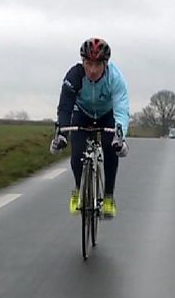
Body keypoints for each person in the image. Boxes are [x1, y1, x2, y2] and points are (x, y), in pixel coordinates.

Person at [50, 37, 130, 218]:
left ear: (106, 64)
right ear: (82, 62)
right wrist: (62, 134)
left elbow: (121, 110)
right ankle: (79, 189)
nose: (92, 70)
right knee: (77, 153)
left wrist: (120, 137)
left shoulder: (115, 79)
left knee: (111, 150)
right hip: (82, 112)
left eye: (98, 65)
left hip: (107, 114)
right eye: (88, 64)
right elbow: (65, 106)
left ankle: (108, 197)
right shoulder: (74, 76)